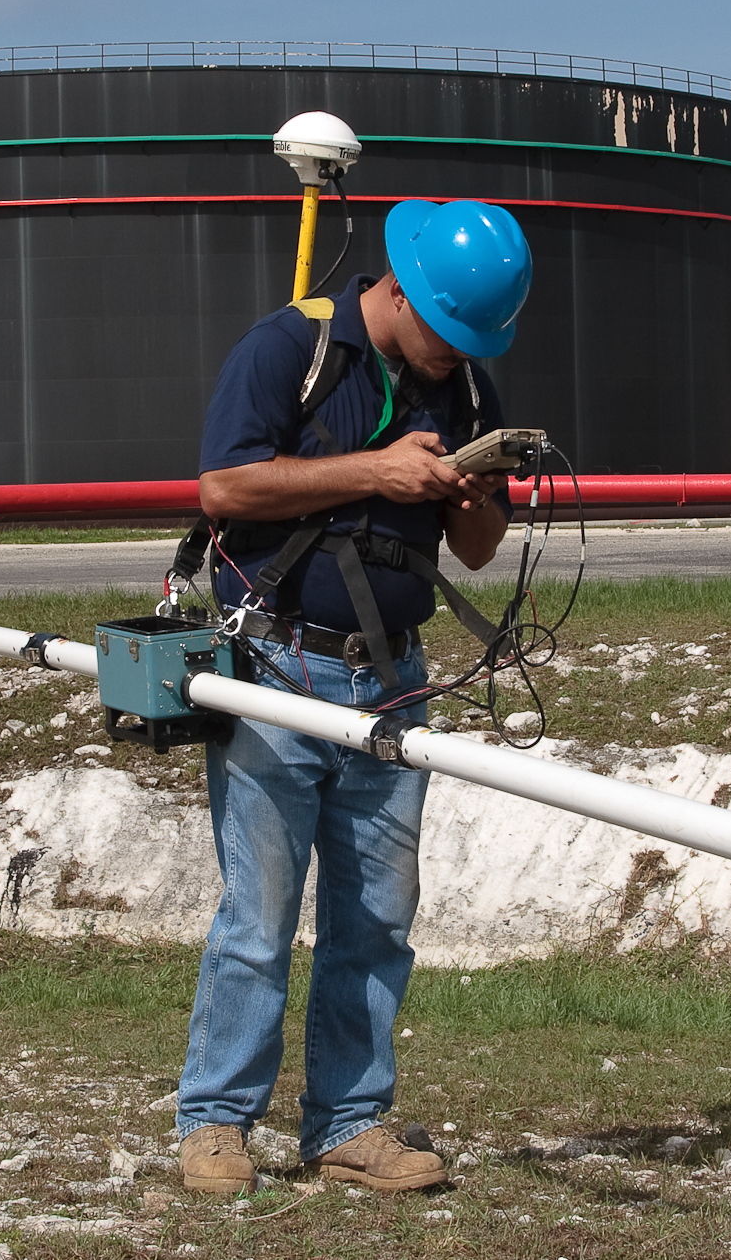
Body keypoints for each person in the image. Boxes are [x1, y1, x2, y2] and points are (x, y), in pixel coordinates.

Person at [175, 198, 533, 1195]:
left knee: (375, 918)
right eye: (445, 335)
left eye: (469, 343)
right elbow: (221, 491)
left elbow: (476, 549)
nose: (451, 357)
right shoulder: (285, 348)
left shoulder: (462, 385)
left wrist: (469, 502)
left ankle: (349, 1119)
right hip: (276, 673)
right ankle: (215, 1122)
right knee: (259, 914)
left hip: (392, 684)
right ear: (399, 291)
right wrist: (372, 469)